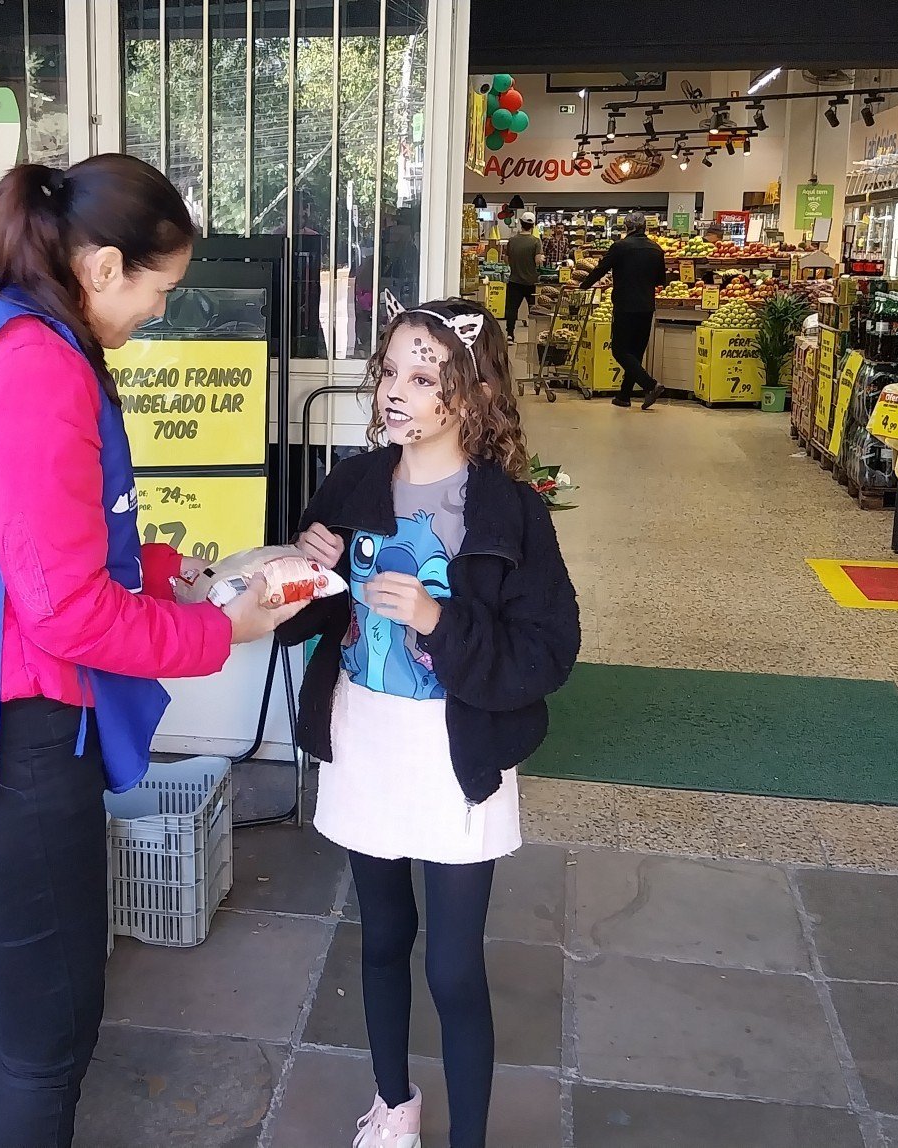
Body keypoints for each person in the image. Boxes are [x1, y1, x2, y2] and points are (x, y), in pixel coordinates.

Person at [0, 154, 306, 1148]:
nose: (161, 310)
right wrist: (218, 628)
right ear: (104, 266)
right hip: (1, 758)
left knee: (32, 1031)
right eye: (161, 288)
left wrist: (170, 572)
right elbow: (65, 610)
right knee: (50, 1041)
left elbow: (30, 542)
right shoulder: (34, 367)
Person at [281, 298, 581, 1148]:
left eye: (423, 376)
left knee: (453, 969)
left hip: (459, 756)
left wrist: (439, 623)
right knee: (381, 938)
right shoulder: (351, 485)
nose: (395, 393)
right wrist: (308, 572)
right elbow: (300, 621)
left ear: (473, 393)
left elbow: (550, 651)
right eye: (388, 373)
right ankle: (394, 1106)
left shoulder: (509, 511)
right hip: (363, 739)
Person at [577, 212, 667, 409]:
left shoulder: (620, 247)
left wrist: (583, 286)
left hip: (625, 305)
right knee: (635, 352)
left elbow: (601, 269)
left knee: (619, 350)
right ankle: (624, 396)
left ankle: (650, 385)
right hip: (647, 306)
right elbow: (661, 281)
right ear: (644, 227)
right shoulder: (656, 249)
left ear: (627, 227)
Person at [502, 215, 541, 344]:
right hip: (531, 282)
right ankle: (535, 337)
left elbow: (506, 259)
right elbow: (537, 260)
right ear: (533, 225)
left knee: (512, 309)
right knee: (534, 310)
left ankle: (510, 335)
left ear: (520, 223)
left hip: (514, 281)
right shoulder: (536, 241)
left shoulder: (512, 241)